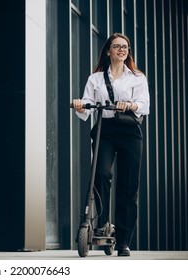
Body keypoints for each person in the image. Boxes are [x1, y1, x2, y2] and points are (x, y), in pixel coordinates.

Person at [72, 33, 150, 257]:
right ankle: (104, 223)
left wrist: (131, 105)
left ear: (128, 52)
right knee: (101, 174)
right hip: (105, 130)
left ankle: (124, 240)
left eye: (125, 47)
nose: (122, 50)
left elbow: (144, 106)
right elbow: (87, 108)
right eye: (117, 46)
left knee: (128, 185)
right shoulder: (95, 79)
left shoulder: (137, 77)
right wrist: (79, 105)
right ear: (108, 51)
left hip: (130, 132)